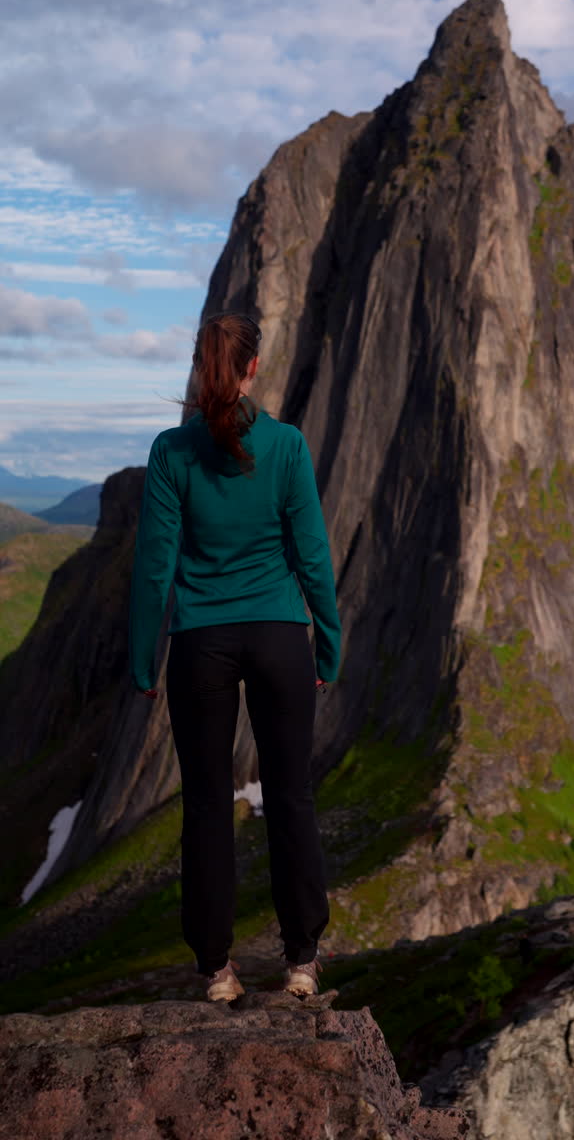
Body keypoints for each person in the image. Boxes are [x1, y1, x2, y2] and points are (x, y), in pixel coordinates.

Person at [128, 311, 341, 1003]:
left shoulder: (171, 452)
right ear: (253, 368)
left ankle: (217, 970)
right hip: (280, 634)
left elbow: (155, 566)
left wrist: (142, 659)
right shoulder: (285, 446)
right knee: (290, 796)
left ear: (201, 367)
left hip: (201, 643)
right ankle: (303, 961)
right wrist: (329, 642)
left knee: (207, 805)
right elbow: (310, 553)